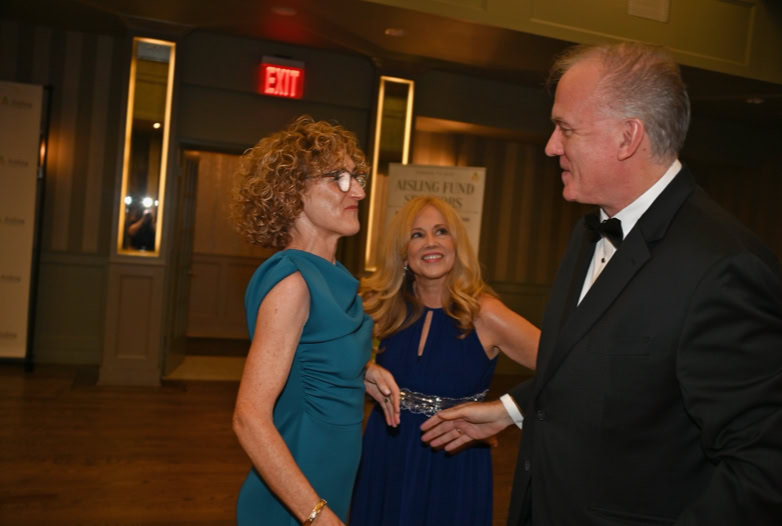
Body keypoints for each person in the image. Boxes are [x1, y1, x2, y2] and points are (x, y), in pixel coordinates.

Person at [421, 42, 782, 525]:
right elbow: (613, 372)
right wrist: (512, 409)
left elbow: (762, 468)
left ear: (627, 137)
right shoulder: (587, 232)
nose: (551, 146)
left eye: (566, 129)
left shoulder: (723, 267)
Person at [350, 196, 540, 525]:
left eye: (441, 231)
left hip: (454, 460)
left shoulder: (485, 313)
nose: (431, 242)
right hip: (386, 453)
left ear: (456, 244)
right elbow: (322, 356)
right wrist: (364, 369)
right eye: (417, 234)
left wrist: (508, 412)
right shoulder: (382, 307)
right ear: (403, 252)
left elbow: (566, 367)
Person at [232, 115, 376, 526]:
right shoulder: (293, 282)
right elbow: (248, 418)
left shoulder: (334, 276)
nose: (359, 191)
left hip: (331, 482)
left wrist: (366, 371)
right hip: (296, 500)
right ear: (290, 192)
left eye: (357, 177)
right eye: (339, 178)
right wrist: (317, 517)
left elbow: (309, 357)